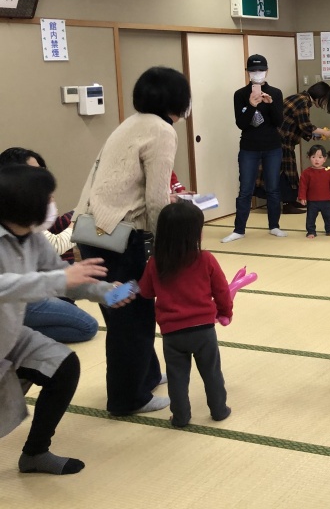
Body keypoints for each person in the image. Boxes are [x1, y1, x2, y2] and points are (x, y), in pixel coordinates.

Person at [75, 66, 191, 416]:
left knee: (121, 315)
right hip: (121, 237)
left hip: (94, 232)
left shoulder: (131, 123)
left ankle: (147, 376)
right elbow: (155, 199)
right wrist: (168, 247)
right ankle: (128, 399)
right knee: (133, 318)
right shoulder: (162, 130)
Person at [1, 165, 130, 474]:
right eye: (47, 198)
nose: (52, 204)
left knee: (63, 366)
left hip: (10, 333)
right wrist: (61, 280)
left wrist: (107, 292)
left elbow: (63, 276)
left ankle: (35, 453)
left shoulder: (33, 239)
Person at [138, 202, 232, 428]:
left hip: (172, 334)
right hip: (203, 331)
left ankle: (180, 417)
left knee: (177, 378)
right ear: (195, 233)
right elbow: (222, 291)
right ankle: (219, 410)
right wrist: (225, 312)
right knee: (212, 373)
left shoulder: (155, 263)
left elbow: (146, 292)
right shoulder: (206, 259)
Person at [0, 148, 98, 344]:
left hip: (32, 294)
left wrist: (111, 293)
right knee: (86, 326)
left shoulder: (33, 232)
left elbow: (59, 268)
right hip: (20, 299)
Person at [222, 54, 286, 242]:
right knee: (245, 189)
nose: (257, 73)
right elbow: (241, 124)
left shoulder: (275, 93)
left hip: (272, 146)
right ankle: (239, 229)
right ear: (247, 72)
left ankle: (274, 226)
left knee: (273, 188)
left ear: (267, 71)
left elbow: (278, 121)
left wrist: (270, 104)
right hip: (249, 147)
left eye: (261, 70)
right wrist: (251, 105)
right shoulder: (240, 94)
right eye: (253, 70)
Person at [268, 82, 330, 215]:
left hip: (281, 140)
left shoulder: (300, 98)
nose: (323, 104)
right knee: (286, 171)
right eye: (324, 100)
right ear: (320, 96)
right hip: (281, 140)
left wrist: (318, 135)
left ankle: (291, 201)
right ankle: (287, 204)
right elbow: (306, 126)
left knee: (290, 170)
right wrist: (324, 132)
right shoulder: (302, 101)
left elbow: (301, 127)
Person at [298, 145, 330, 238]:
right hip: (312, 201)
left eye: (320, 157)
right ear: (309, 157)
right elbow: (303, 186)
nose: (316, 160)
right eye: (313, 157)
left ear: (324, 159)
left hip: (326, 200)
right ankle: (311, 231)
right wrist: (302, 197)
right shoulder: (306, 173)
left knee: (328, 216)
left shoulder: (329, 172)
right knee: (310, 217)